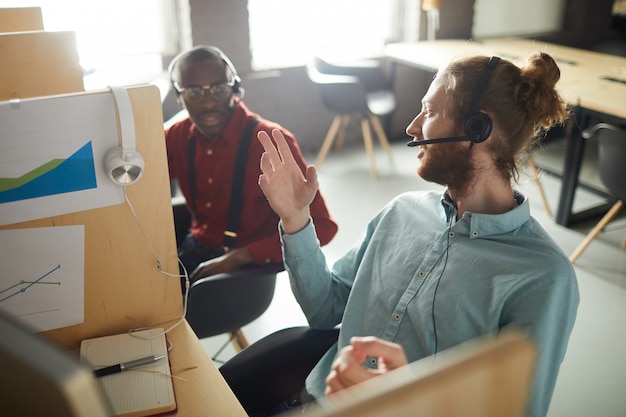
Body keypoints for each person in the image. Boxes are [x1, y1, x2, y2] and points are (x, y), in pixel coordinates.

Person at [254, 52, 579, 417]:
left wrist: (409, 399)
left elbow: (514, 409)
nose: (412, 127)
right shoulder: (401, 212)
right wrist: (296, 218)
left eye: (430, 111)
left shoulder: (543, 277)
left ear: (478, 128)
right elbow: (324, 308)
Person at [165, 46, 338, 282]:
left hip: (242, 267)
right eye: (194, 93)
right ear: (179, 96)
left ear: (235, 89)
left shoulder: (270, 143)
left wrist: (241, 257)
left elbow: (322, 227)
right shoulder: (177, 135)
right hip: (193, 245)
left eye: (218, 89)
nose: (208, 104)